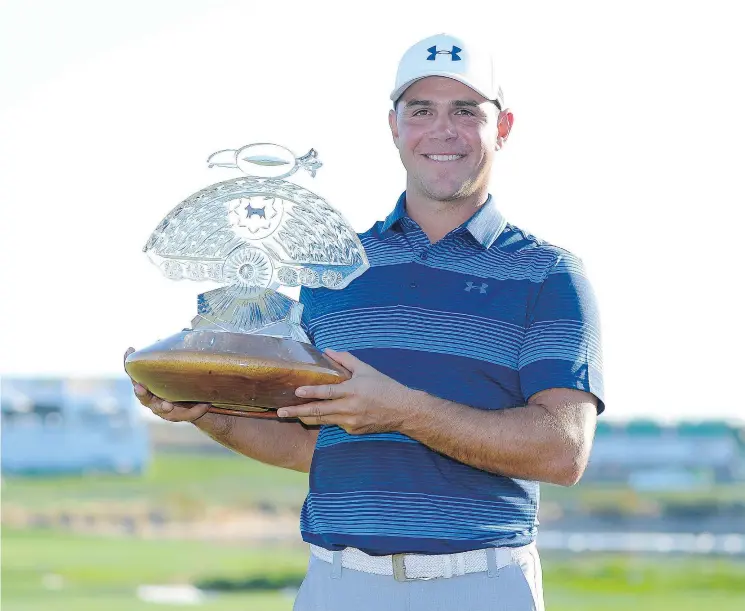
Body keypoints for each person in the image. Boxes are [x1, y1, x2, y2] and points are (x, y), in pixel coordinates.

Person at [126, 33, 604, 611]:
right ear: (394, 127)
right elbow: (312, 445)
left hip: (481, 584)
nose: (442, 130)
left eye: (466, 112)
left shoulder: (548, 275)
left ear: (501, 129)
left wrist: (401, 410)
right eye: (421, 110)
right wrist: (205, 414)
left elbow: (561, 452)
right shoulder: (332, 268)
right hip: (338, 583)